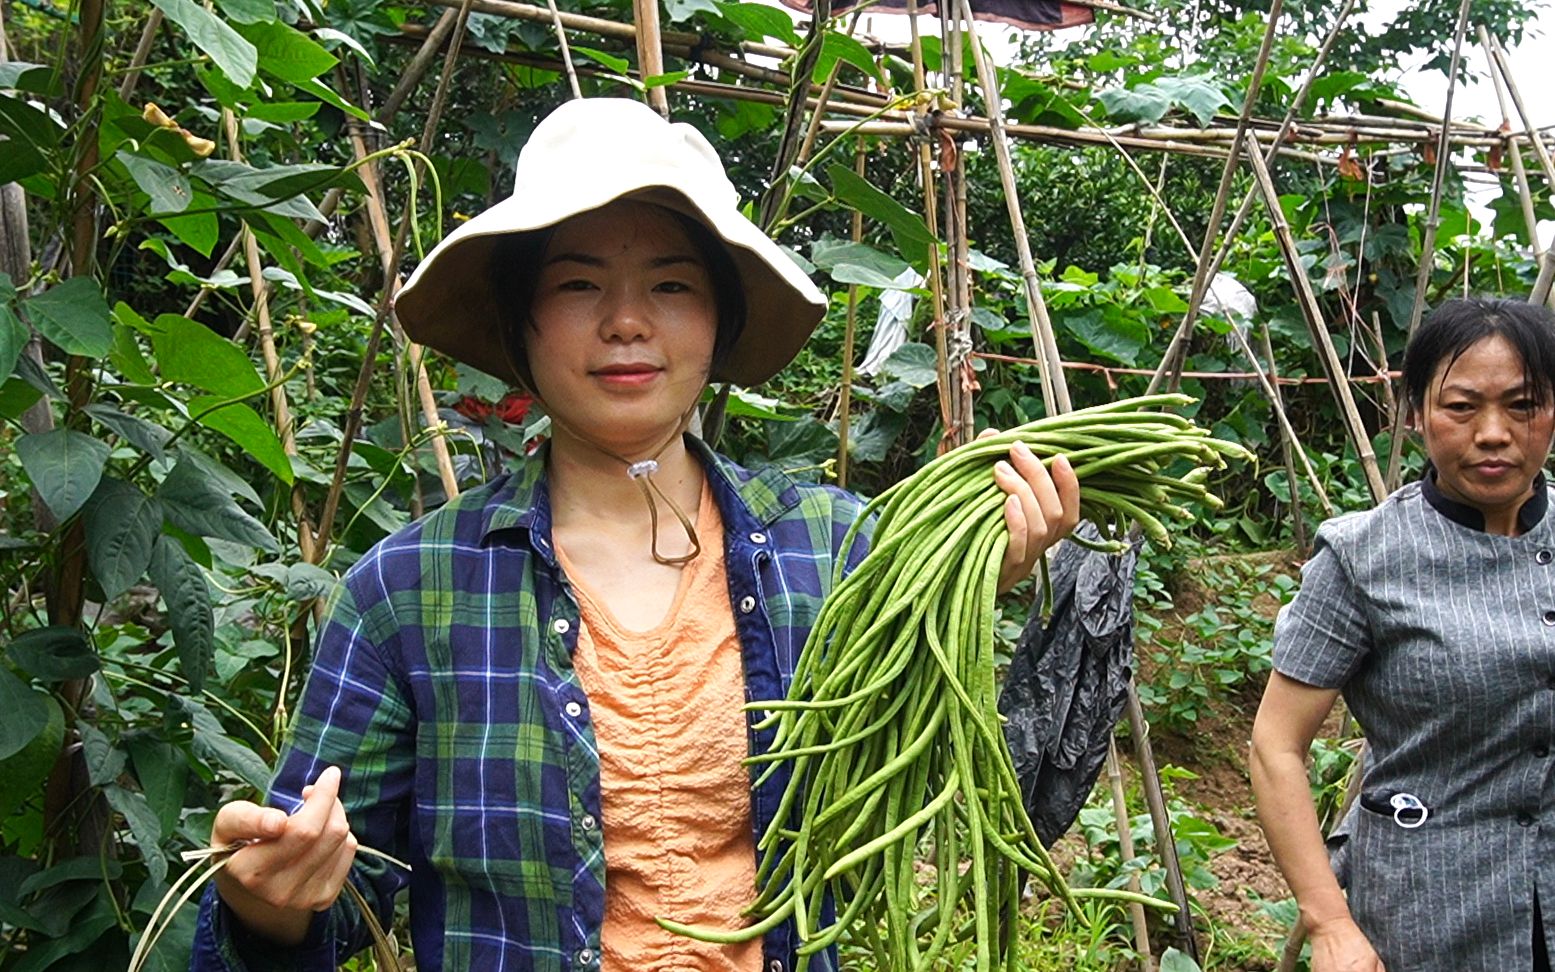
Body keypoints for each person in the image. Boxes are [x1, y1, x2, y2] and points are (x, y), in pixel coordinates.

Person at [189, 97, 1080, 972]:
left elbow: (904, 790)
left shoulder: (837, 547)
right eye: (578, 284)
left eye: (671, 284)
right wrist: (268, 898)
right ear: (519, 322)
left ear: (720, 318)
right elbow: (331, 892)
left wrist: (958, 583)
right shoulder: (410, 586)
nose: (625, 321)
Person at [1250, 296, 1555, 972]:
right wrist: (1328, 922)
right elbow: (1275, 744)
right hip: (1431, 910)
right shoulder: (1363, 558)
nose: (1493, 432)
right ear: (1414, 413)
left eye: (1521, 404)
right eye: (1461, 406)